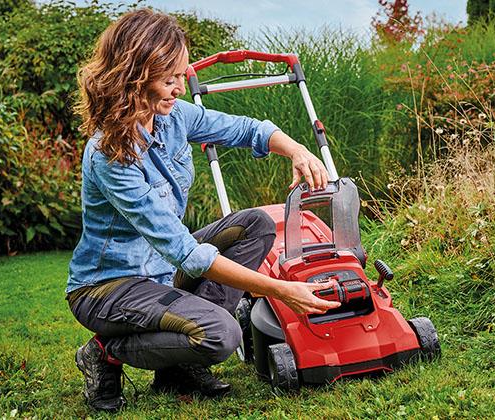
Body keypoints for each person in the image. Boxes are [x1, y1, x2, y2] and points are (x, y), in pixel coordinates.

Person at [67, 8, 340, 412]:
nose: (180, 87)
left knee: (256, 225)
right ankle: (105, 352)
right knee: (221, 335)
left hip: (161, 272)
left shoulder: (175, 117)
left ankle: (177, 364)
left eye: (182, 74)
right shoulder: (110, 156)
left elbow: (247, 129)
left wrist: (297, 150)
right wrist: (282, 290)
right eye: (169, 78)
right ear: (135, 77)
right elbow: (186, 253)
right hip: (107, 287)